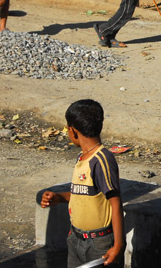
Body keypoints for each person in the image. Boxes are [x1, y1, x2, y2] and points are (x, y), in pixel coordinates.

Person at [40, 99, 124, 267]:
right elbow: (83, 194)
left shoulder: (102, 159)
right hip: (76, 238)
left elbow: (115, 203)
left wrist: (118, 245)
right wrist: (59, 197)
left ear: (73, 131)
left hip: (99, 243)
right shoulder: (82, 158)